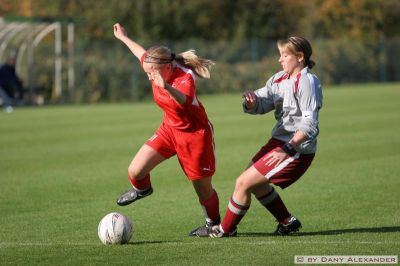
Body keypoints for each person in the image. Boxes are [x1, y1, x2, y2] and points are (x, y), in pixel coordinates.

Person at [200, 36, 323, 237]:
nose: (279, 59)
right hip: (279, 142)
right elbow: (262, 102)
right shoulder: (279, 78)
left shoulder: (308, 82)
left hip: (297, 149)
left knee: (243, 183)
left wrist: (288, 149)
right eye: (280, 54)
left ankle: (224, 230)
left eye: (284, 55)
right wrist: (251, 102)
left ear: (300, 57)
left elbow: (310, 126)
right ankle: (287, 222)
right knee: (255, 184)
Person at [113, 23, 220, 236]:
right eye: (147, 72)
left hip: (194, 136)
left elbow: (185, 101)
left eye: (152, 73)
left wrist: (166, 87)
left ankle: (214, 225)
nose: (149, 77)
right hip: (169, 130)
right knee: (135, 171)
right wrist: (123, 37)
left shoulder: (184, 78)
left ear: (167, 68)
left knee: (202, 189)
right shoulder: (155, 64)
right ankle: (143, 189)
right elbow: (140, 53)